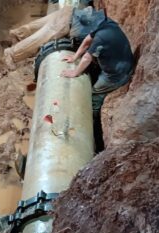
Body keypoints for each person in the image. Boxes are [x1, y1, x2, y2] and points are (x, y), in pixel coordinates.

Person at [61, 16, 134, 151]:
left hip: (117, 75)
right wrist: (74, 57)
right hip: (122, 62)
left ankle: (93, 121)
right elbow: (87, 40)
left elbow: (88, 57)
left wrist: (75, 73)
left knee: (94, 94)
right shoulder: (105, 22)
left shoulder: (101, 38)